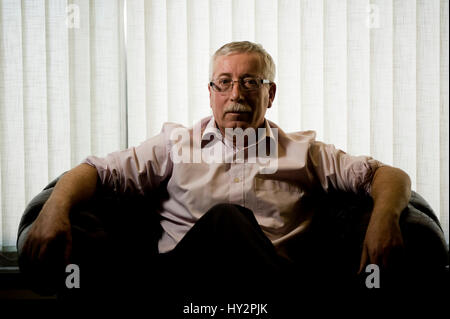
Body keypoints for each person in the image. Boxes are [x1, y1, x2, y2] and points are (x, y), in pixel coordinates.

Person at [22, 41, 411, 311]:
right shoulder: (175, 145)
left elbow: (387, 176)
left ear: (270, 93)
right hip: (181, 285)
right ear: (211, 92)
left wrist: (384, 218)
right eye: (224, 82)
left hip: (274, 288)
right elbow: (96, 171)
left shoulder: (303, 152)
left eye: (249, 82)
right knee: (225, 218)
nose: (235, 93)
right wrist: (55, 207)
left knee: (233, 220)